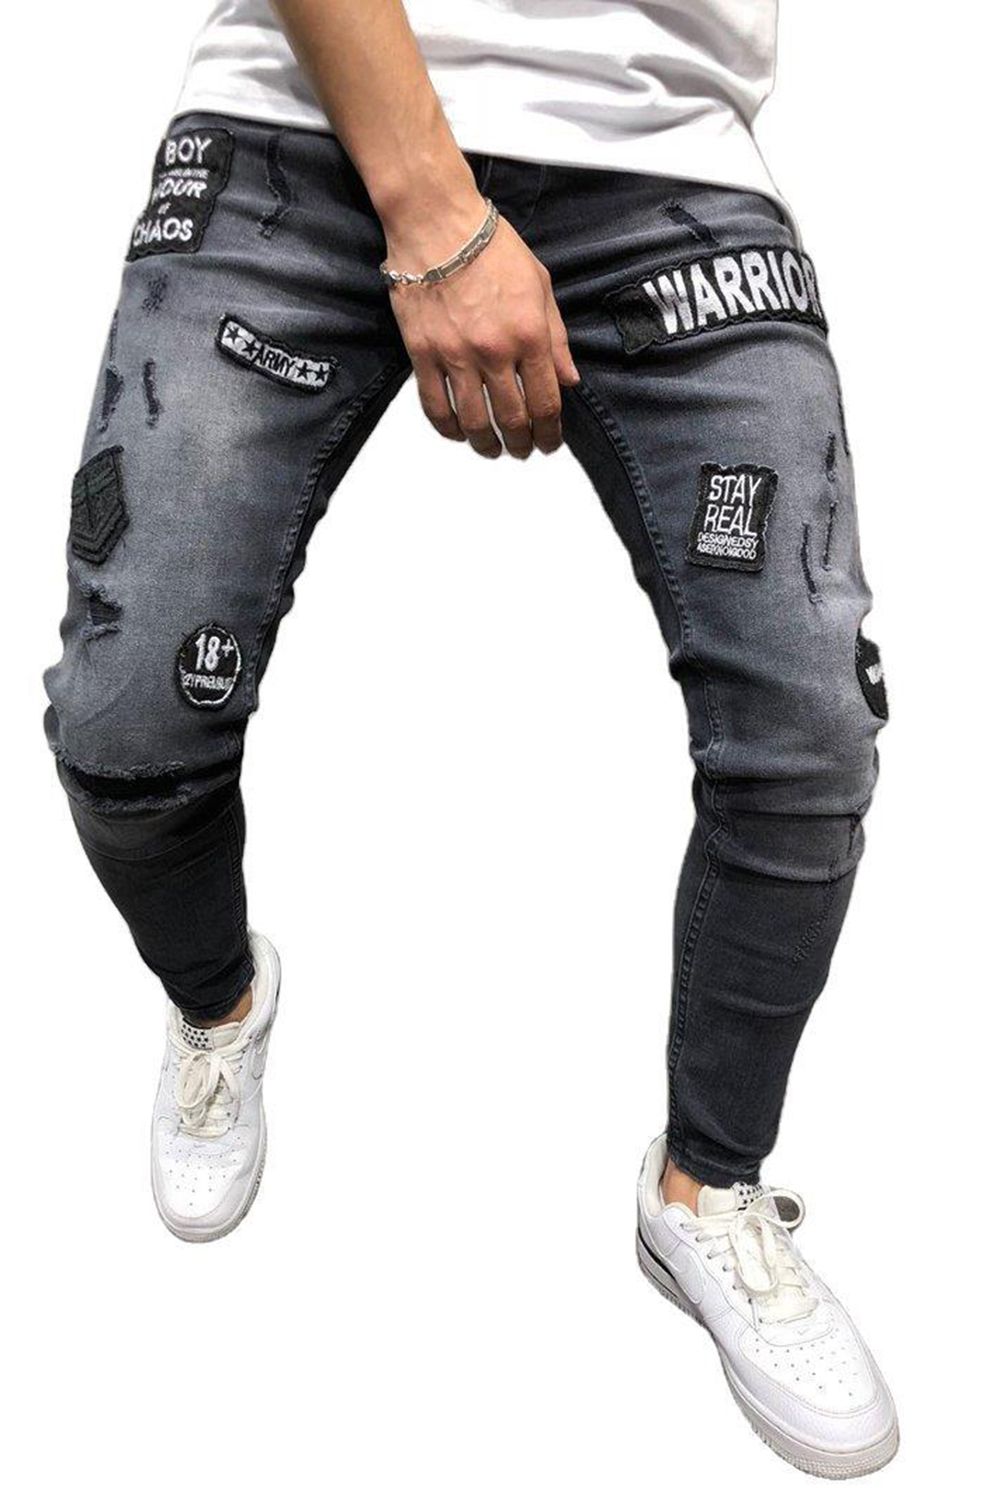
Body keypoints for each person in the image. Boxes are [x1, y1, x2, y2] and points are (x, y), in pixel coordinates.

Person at [43, 0, 896, 1476]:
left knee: (810, 735)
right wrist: (436, 215)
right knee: (127, 718)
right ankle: (219, 1004)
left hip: (666, 157)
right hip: (294, 129)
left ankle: (708, 1191)